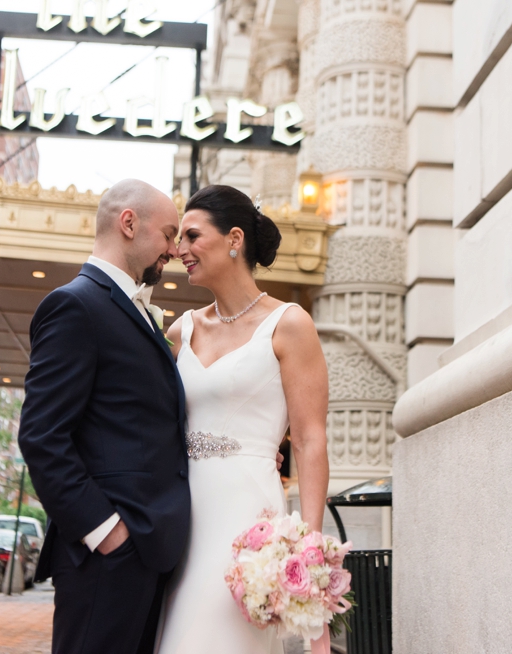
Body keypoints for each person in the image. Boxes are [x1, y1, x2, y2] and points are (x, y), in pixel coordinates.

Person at [156, 185, 331, 654]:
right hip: (181, 518)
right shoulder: (180, 331)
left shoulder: (290, 324)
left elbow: (311, 440)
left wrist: (309, 548)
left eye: (193, 236)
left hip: (248, 520)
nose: (179, 250)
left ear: (234, 239)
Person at [18, 179, 190, 654]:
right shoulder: (75, 305)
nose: (174, 250)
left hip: (145, 555)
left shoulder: (134, 310)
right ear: (129, 224)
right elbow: (41, 435)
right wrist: (107, 533)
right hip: (107, 557)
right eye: (169, 234)